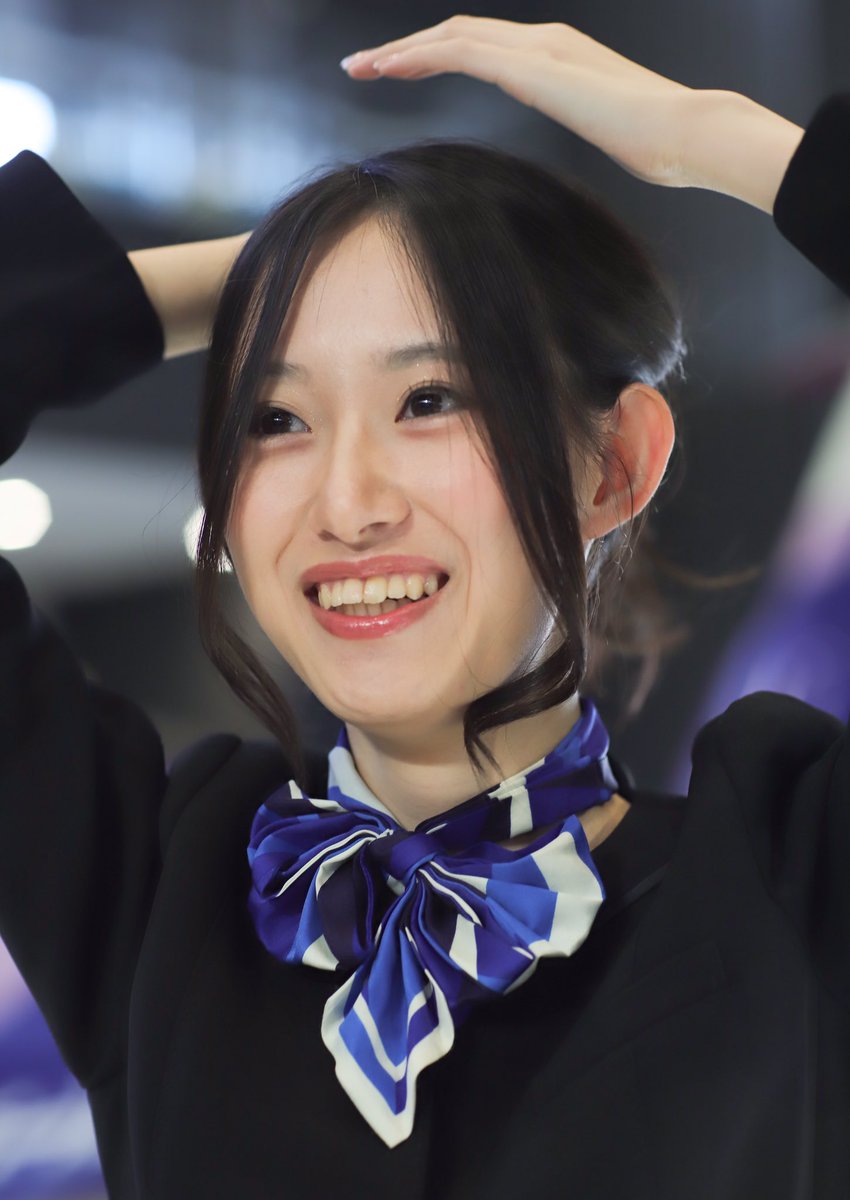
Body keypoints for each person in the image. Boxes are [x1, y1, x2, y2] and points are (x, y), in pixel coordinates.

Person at [1, 15, 848, 1199]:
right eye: (276, 418)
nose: (347, 503)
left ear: (613, 467)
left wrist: (718, 142)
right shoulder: (159, 886)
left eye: (431, 398)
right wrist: (274, 267)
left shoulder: (792, 868)